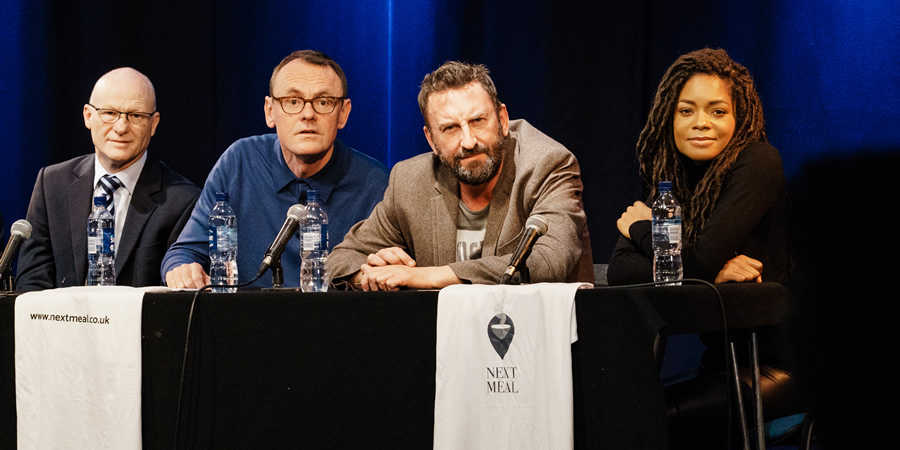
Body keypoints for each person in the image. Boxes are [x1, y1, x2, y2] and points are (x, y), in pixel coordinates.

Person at [607, 48, 799, 448]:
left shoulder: (759, 162)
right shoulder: (673, 182)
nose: (700, 124)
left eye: (717, 111)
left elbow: (691, 263)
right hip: (719, 367)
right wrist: (709, 270)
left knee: (639, 419)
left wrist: (646, 228)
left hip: (780, 371)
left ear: (738, 118)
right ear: (668, 117)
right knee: (611, 405)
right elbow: (621, 271)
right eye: (686, 110)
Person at [329, 61, 593, 291]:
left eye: (478, 121)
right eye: (451, 128)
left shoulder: (547, 164)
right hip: (442, 339)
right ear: (431, 139)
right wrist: (374, 274)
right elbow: (341, 260)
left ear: (502, 119)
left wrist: (426, 275)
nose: (468, 141)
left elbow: (550, 262)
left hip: (534, 335)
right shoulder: (409, 181)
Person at [162, 50, 389, 289]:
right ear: (270, 111)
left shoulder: (376, 184)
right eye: (293, 101)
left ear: (343, 113)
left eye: (323, 102)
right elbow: (186, 251)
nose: (308, 114)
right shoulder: (240, 162)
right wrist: (182, 268)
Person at [16, 68, 200, 291]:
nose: (121, 127)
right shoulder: (52, 183)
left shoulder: (182, 201)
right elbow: (31, 283)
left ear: (153, 124)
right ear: (88, 116)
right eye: (110, 113)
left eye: (136, 116)